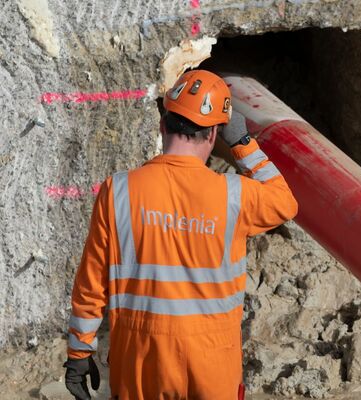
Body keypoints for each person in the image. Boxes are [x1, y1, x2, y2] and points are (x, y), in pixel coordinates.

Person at [63, 69, 298, 399]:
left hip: (140, 360)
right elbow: (285, 202)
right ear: (215, 134)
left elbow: (91, 284)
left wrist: (78, 354)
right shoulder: (236, 195)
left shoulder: (118, 191)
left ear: (164, 125)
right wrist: (244, 144)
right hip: (212, 361)